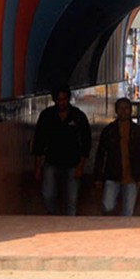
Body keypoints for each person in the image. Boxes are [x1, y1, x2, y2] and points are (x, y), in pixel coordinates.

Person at [32, 86, 92, 216]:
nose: (61, 102)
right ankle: (54, 215)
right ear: (54, 100)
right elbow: (39, 141)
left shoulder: (78, 116)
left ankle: (70, 225)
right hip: (51, 161)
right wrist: (37, 166)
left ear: (68, 98)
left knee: (72, 199)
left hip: (73, 163)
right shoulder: (47, 116)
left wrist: (81, 166)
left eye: (64, 99)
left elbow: (86, 142)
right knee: (47, 194)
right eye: (58, 100)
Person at [93, 98, 140, 216]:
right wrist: (98, 176)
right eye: (121, 109)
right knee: (107, 206)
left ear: (131, 110)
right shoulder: (109, 130)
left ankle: (122, 232)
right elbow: (101, 153)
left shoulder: (137, 131)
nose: (124, 111)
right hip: (112, 175)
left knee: (128, 211)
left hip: (132, 176)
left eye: (126, 108)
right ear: (116, 111)